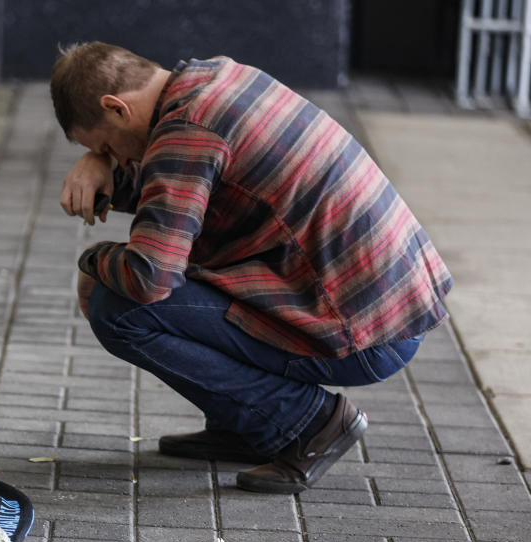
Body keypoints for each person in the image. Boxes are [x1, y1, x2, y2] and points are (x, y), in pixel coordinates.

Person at [50, 42, 452, 494]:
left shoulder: (188, 131)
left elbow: (149, 276)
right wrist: (101, 163)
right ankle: (246, 426)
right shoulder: (215, 79)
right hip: (394, 303)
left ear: (117, 107)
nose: (120, 159)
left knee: (118, 306)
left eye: (107, 145)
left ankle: (309, 422)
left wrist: (92, 260)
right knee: (144, 287)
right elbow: (189, 190)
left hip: (367, 332)